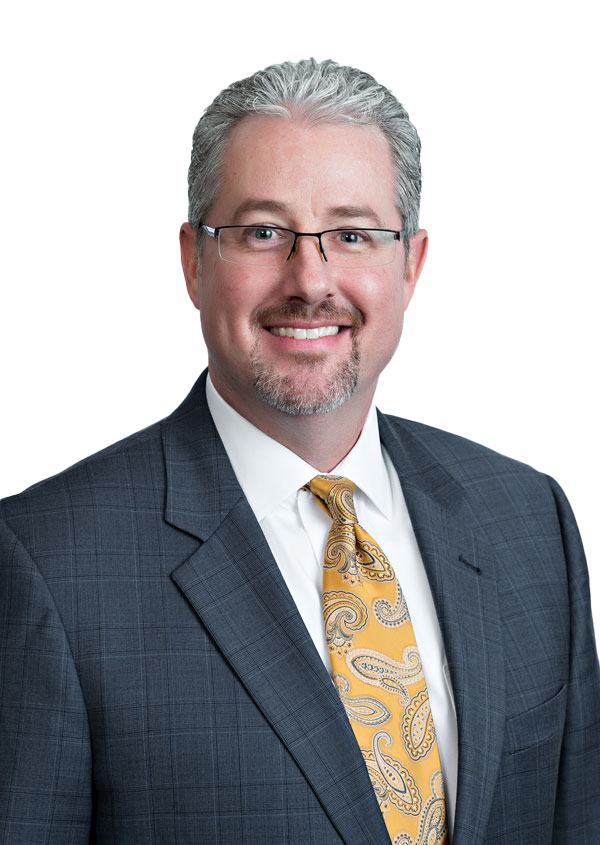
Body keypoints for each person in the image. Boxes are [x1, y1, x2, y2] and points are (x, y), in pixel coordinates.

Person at [0, 57, 598, 845]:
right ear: (194, 260)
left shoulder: (529, 522)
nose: (310, 279)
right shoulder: (49, 564)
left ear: (410, 265)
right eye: (263, 232)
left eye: (352, 234)